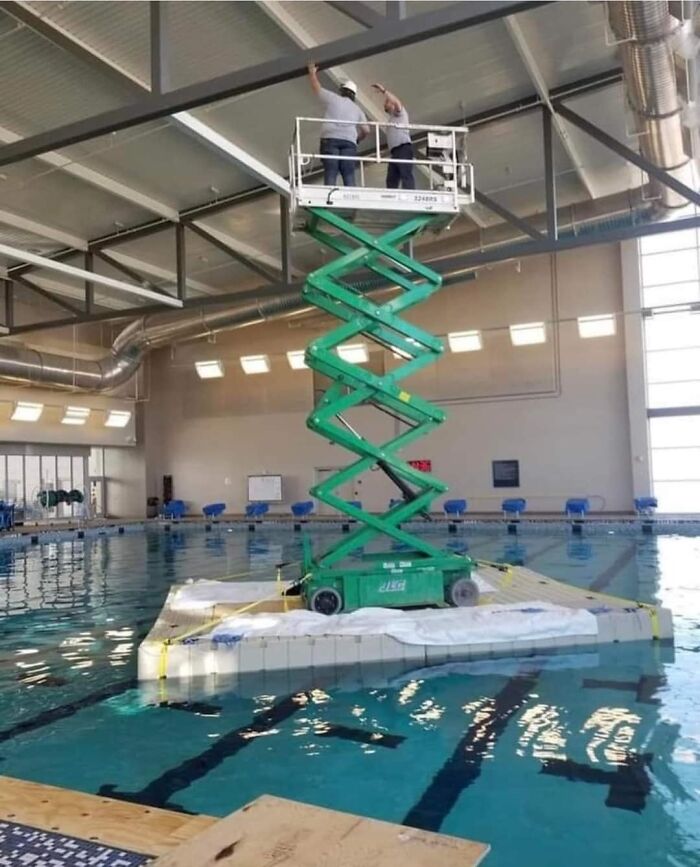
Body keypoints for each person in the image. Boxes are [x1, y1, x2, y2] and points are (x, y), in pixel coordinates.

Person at [307, 63, 369, 186]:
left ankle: (330, 196)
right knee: (348, 173)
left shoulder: (333, 99)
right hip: (349, 142)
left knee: (331, 170)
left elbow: (316, 88)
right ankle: (350, 196)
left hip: (330, 139)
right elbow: (366, 130)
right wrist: (357, 139)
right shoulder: (358, 109)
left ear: (342, 91)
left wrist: (312, 73)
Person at [372, 82, 415, 190]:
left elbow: (397, 102)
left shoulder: (400, 114)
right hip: (395, 151)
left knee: (405, 173)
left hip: (403, 148)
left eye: (387, 102)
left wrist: (384, 91)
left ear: (393, 104)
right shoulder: (392, 119)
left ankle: (409, 194)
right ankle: (392, 194)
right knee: (391, 178)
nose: (384, 104)